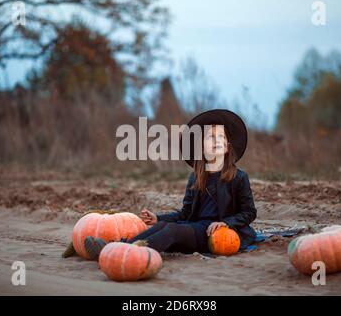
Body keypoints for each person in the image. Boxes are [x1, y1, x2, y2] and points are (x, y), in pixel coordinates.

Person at [84, 109, 257, 260]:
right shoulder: (195, 178)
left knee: (173, 231)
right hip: (196, 228)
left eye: (221, 137)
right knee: (163, 226)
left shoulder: (238, 177)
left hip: (217, 234)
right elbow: (186, 213)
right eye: (211, 137)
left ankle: (121, 253)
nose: (216, 140)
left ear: (227, 147)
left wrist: (227, 222)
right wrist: (158, 218)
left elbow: (249, 212)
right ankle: (117, 247)